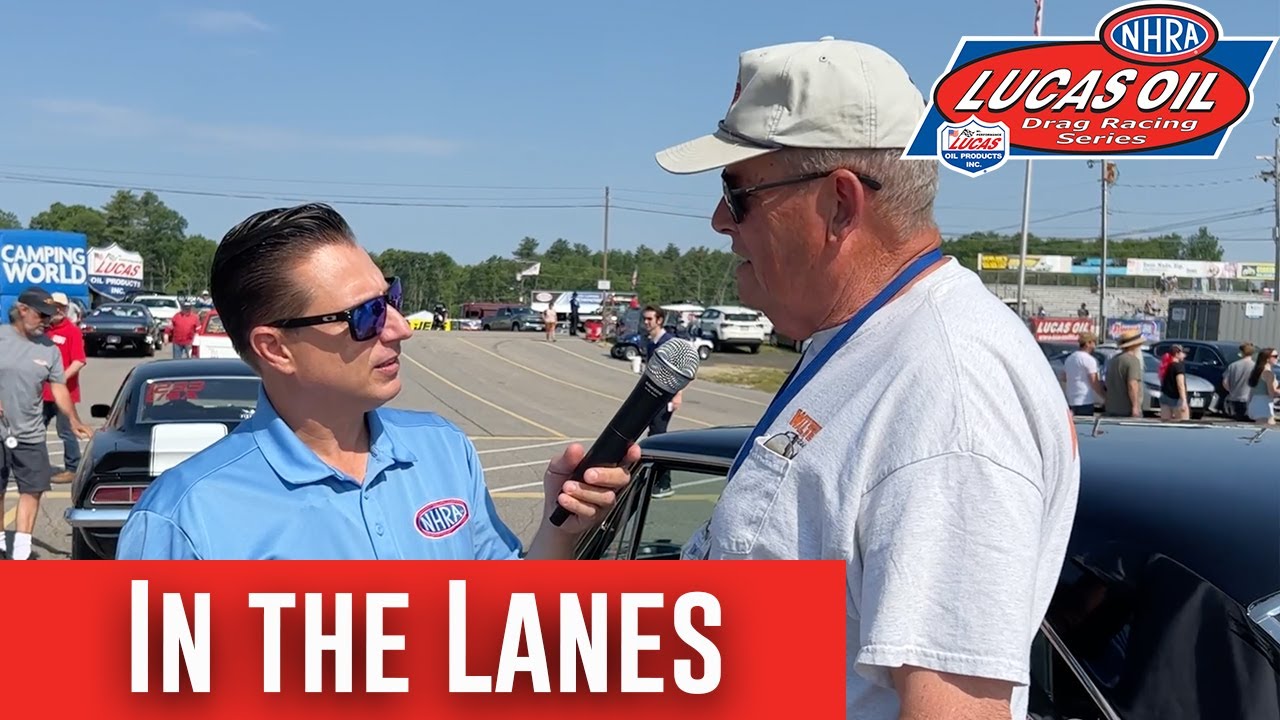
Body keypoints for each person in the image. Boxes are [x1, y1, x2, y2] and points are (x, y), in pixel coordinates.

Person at [653, 38, 1079, 720]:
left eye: (737, 192)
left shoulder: (949, 389)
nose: (720, 221)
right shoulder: (876, 344)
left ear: (840, 205)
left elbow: (955, 709)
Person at [116, 203, 635, 560]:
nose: (400, 328)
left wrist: (559, 528)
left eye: (392, 299)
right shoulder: (185, 519)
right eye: (365, 315)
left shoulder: (442, 449)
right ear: (275, 348)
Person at [0, 288, 94, 559]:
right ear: (22, 310)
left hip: (30, 432)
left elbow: (59, 387)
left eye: (49, 316)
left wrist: (74, 419)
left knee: (33, 489)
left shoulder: (49, 349)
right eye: (41, 315)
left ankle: (21, 550)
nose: (46, 321)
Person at [40, 292, 88, 481]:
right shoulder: (42, 331)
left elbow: (79, 361)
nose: (57, 310)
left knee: (66, 431)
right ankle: (36, 466)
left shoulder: (72, 331)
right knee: (35, 430)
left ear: (66, 309)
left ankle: (73, 468)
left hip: (65, 393)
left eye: (61, 307)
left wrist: (59, 378)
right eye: (54, 307)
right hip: (42, 393)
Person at [640, 305, 681, 498]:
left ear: (659, 320)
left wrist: (677, 394)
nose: (646, 322)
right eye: (645, 319)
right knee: (652, 436)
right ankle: (654, 478)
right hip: (652, 397)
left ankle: (664, 483)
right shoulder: (651, 343)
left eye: (650, 319)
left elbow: (680, 371)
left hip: (665, 398)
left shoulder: (669, 343)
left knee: (659, 437)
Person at [1104, 330, 1146, 418]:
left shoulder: (1114, 360)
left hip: (1112, 408)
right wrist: (1135, 406)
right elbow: (1132, 384)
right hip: (1127, 410)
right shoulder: (1133, 361)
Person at [1061, 332, 1104, 417]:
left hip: (1071, 400)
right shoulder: (1089, 360)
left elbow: (1064, 377)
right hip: (1085, 401)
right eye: (1094, 342)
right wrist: (1104, 396)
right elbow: (1094, 382)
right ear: (1088, 343)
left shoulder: (1070, 358)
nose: (1095, 346)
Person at [1221, 342, 1255, 421]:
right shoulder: (1255, 366)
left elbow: (1225, 382)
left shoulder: (1233, 365)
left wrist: (1231, 391)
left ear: (1242, 352)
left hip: (1234, 398)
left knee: (1237, 421)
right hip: (1249, 399)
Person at [1246, 347, 1277, 425]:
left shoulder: (1258, 370)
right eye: (1275, 356)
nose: (1277, 358)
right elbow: (1272, 393)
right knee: (1267, 428)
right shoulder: (1268, 373)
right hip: (1264, 404)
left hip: (1255, 401)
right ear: (1267, 359)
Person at [1157, 344, 1189, 421]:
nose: (1185, 355)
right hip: (1176, 399)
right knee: (1183, 423)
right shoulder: (1178, 366)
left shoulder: (1166, 366)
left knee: (1165, 423)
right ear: (1177, 354)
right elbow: (1180, 384)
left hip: (1165, 397)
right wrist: (1184, 400)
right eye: (1183, 353)